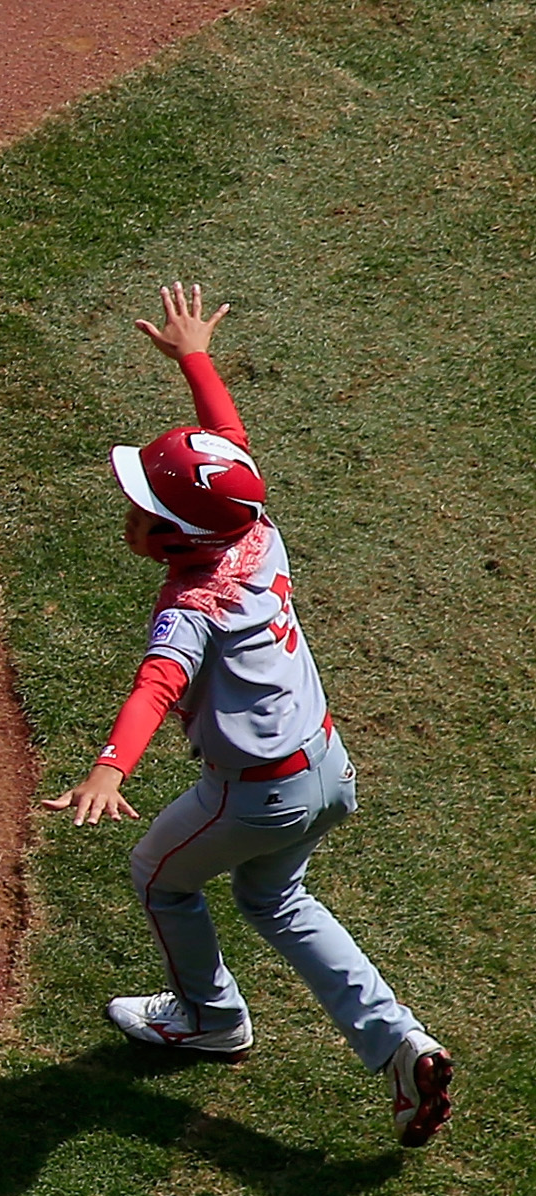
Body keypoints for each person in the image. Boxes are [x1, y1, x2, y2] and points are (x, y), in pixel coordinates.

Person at [43, 282, 451, 1146]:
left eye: (144, 505)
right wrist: (194, 356)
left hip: (254, 793)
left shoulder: (191, 601)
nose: (132, 511)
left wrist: (109, 768)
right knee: (274, 895)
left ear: (173, 536)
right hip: (328, 769)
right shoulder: (253, 526)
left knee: (159, 874)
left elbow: (156, 682)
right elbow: (230, 446)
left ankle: (206, 1016)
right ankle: (399, 1042)